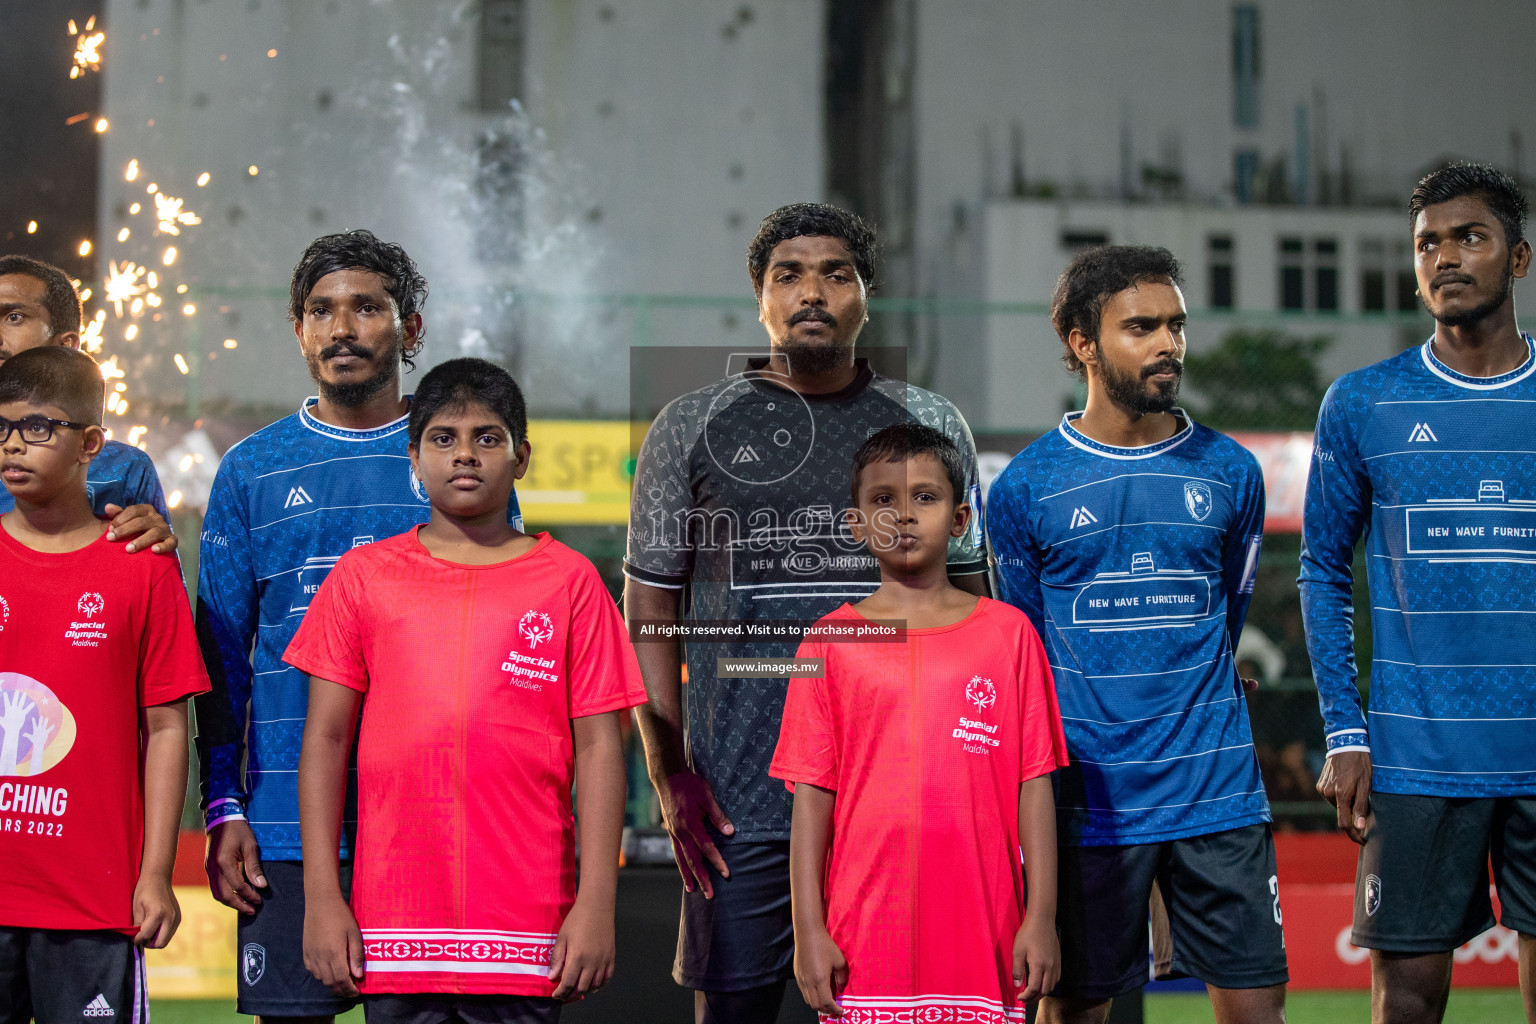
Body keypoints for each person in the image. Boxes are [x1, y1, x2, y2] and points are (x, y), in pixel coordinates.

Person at [624, 203, 988, 1024]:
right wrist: (666, 765)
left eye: (836, 273)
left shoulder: (929, 423)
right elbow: (649, 601)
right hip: (737, 799)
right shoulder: (690, 425)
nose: (812, 291)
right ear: (760, 299)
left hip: (901, 797)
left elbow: (976, 611)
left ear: (867, 296)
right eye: (788, 274)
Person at [194, 231, 523, 1020]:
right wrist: (223, 807)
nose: (342, 327)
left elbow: (498, 645)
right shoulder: (251, 468)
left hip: (432, 827)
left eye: (367, 307)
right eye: (321, 310)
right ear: (298, 330)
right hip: (283, 828)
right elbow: (220, 658)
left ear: (410, 330)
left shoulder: (458, 454)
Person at [287, 358, 643, 1020]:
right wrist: (322, 897)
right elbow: (327, 738)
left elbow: (600, 750)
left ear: (522, 456)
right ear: (414, 459)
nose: (465, 455)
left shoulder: (571, 582)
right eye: (443, 438)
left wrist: (595, 902)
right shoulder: (363, 577)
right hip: (395, 923)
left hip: (528, 922)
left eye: (487, 437)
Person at [987, 245, 1286, 1024]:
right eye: (1142, 327)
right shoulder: (1026, 487)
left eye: (1177, 326)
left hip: (1217, 797)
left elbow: (1228, 615)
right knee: (1072, 1015)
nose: (1168, 345)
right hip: (1089, 806)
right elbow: (1028, 652)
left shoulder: (1230, 471)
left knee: (1259, 1014)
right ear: (1082, 342)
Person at [1300, 162, 1536, 1024]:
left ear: (1519, 259)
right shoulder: (1364, 403)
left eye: (1469, 236)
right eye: (1427, 242)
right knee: (1405, 1002)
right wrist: (1344, 728)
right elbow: (1321, 570)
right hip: (1415, 758)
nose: (1443, 257)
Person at [771, 423, 1068, 1021]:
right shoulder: (829, 643)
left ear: (961, 520)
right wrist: (808, 929)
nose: (904, 515)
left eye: (925, 497)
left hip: (984, 935)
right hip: (863, 940)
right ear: (856, 524)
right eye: (883, 499)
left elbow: (1034, 788)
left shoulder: (1010, 636)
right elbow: (811, 799)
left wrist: (1041, 919)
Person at [0, 346, 208, 1020]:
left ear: (91, 443)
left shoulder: (143, 569)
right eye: (1, 428)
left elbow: (168, 726)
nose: (13, 445)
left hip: (94, 900)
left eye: (37, 427)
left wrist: (155, 873)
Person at [0, 254, 175, 552]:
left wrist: (153, 544)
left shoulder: (124, 470)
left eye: (14, 317)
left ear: (66, 345)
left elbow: (151, 582)